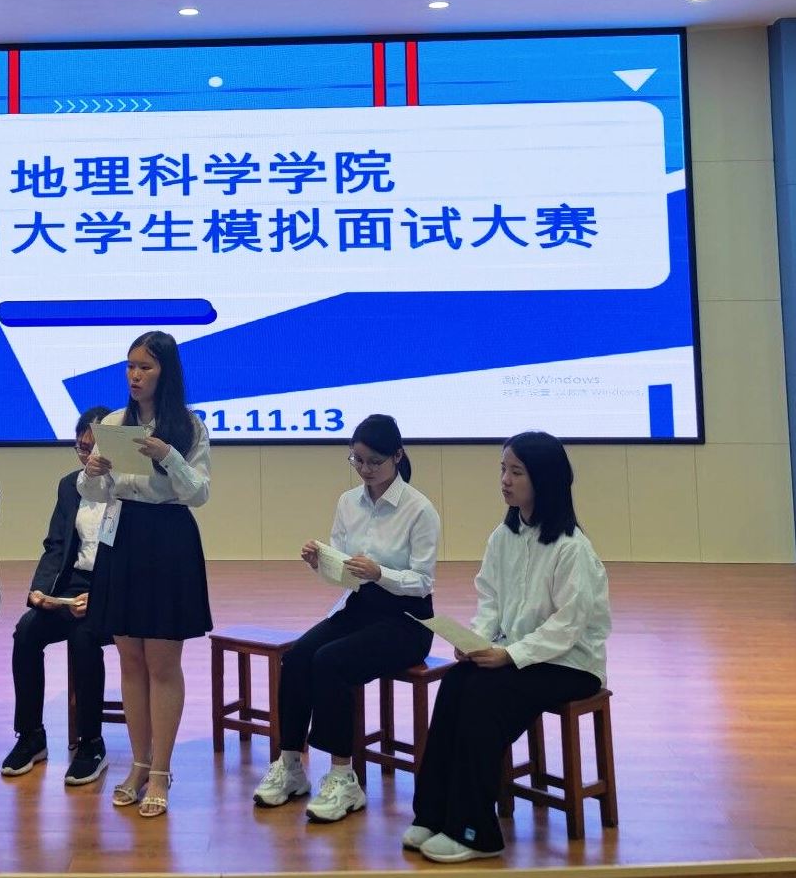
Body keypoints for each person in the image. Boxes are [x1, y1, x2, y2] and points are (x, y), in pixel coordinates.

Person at [405, 431, 611, 863]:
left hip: (570, 664)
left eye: (516, 472)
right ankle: (434, 813)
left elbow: (568, 627)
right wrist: (476, 642)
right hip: (517, 655)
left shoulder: (573, 548)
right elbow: (491, 600)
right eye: (503, 469)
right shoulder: (504, 535)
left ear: (544, 479)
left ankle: (475, 831)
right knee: (457, 682)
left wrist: (510, 655)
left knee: (484, 697)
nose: (504, 480)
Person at [254, 413, 440, 822]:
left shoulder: (419, 509)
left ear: (397, 456)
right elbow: (341, 572)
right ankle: (290, 764)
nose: (365, 469)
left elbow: (423, 582)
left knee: (331, 661)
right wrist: (319, 561)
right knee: (297, 657)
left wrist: (380, 573)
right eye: (357, 460)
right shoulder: (347, 502)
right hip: (358, 607)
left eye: (374, 461)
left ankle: (343, 776)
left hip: (407, 621)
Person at [80, 330, 211, 817]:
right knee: (130, 660)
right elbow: (95, 494)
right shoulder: (114, 422)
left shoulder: (188, 426)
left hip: (168, 538)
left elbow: (199, 493)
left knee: (162, 662)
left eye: (145, 367)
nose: (134, 376)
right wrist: (93, 472)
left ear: (165, 372)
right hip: (122, 535)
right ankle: (137, 764)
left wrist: (167, 456)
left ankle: (161, 770)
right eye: (130, 366)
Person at [1, 406, 117, 786]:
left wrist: (100, 596)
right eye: (82, 448)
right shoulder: (70, 485)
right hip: (73, 586)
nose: (88, 456)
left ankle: (91, 743)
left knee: (84, 637)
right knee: (26, 631)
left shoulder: (130, 486)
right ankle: (31, 735)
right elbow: (55, 545)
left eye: (95, 448)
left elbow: (137, 555)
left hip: (116, 590)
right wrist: (40, 591)